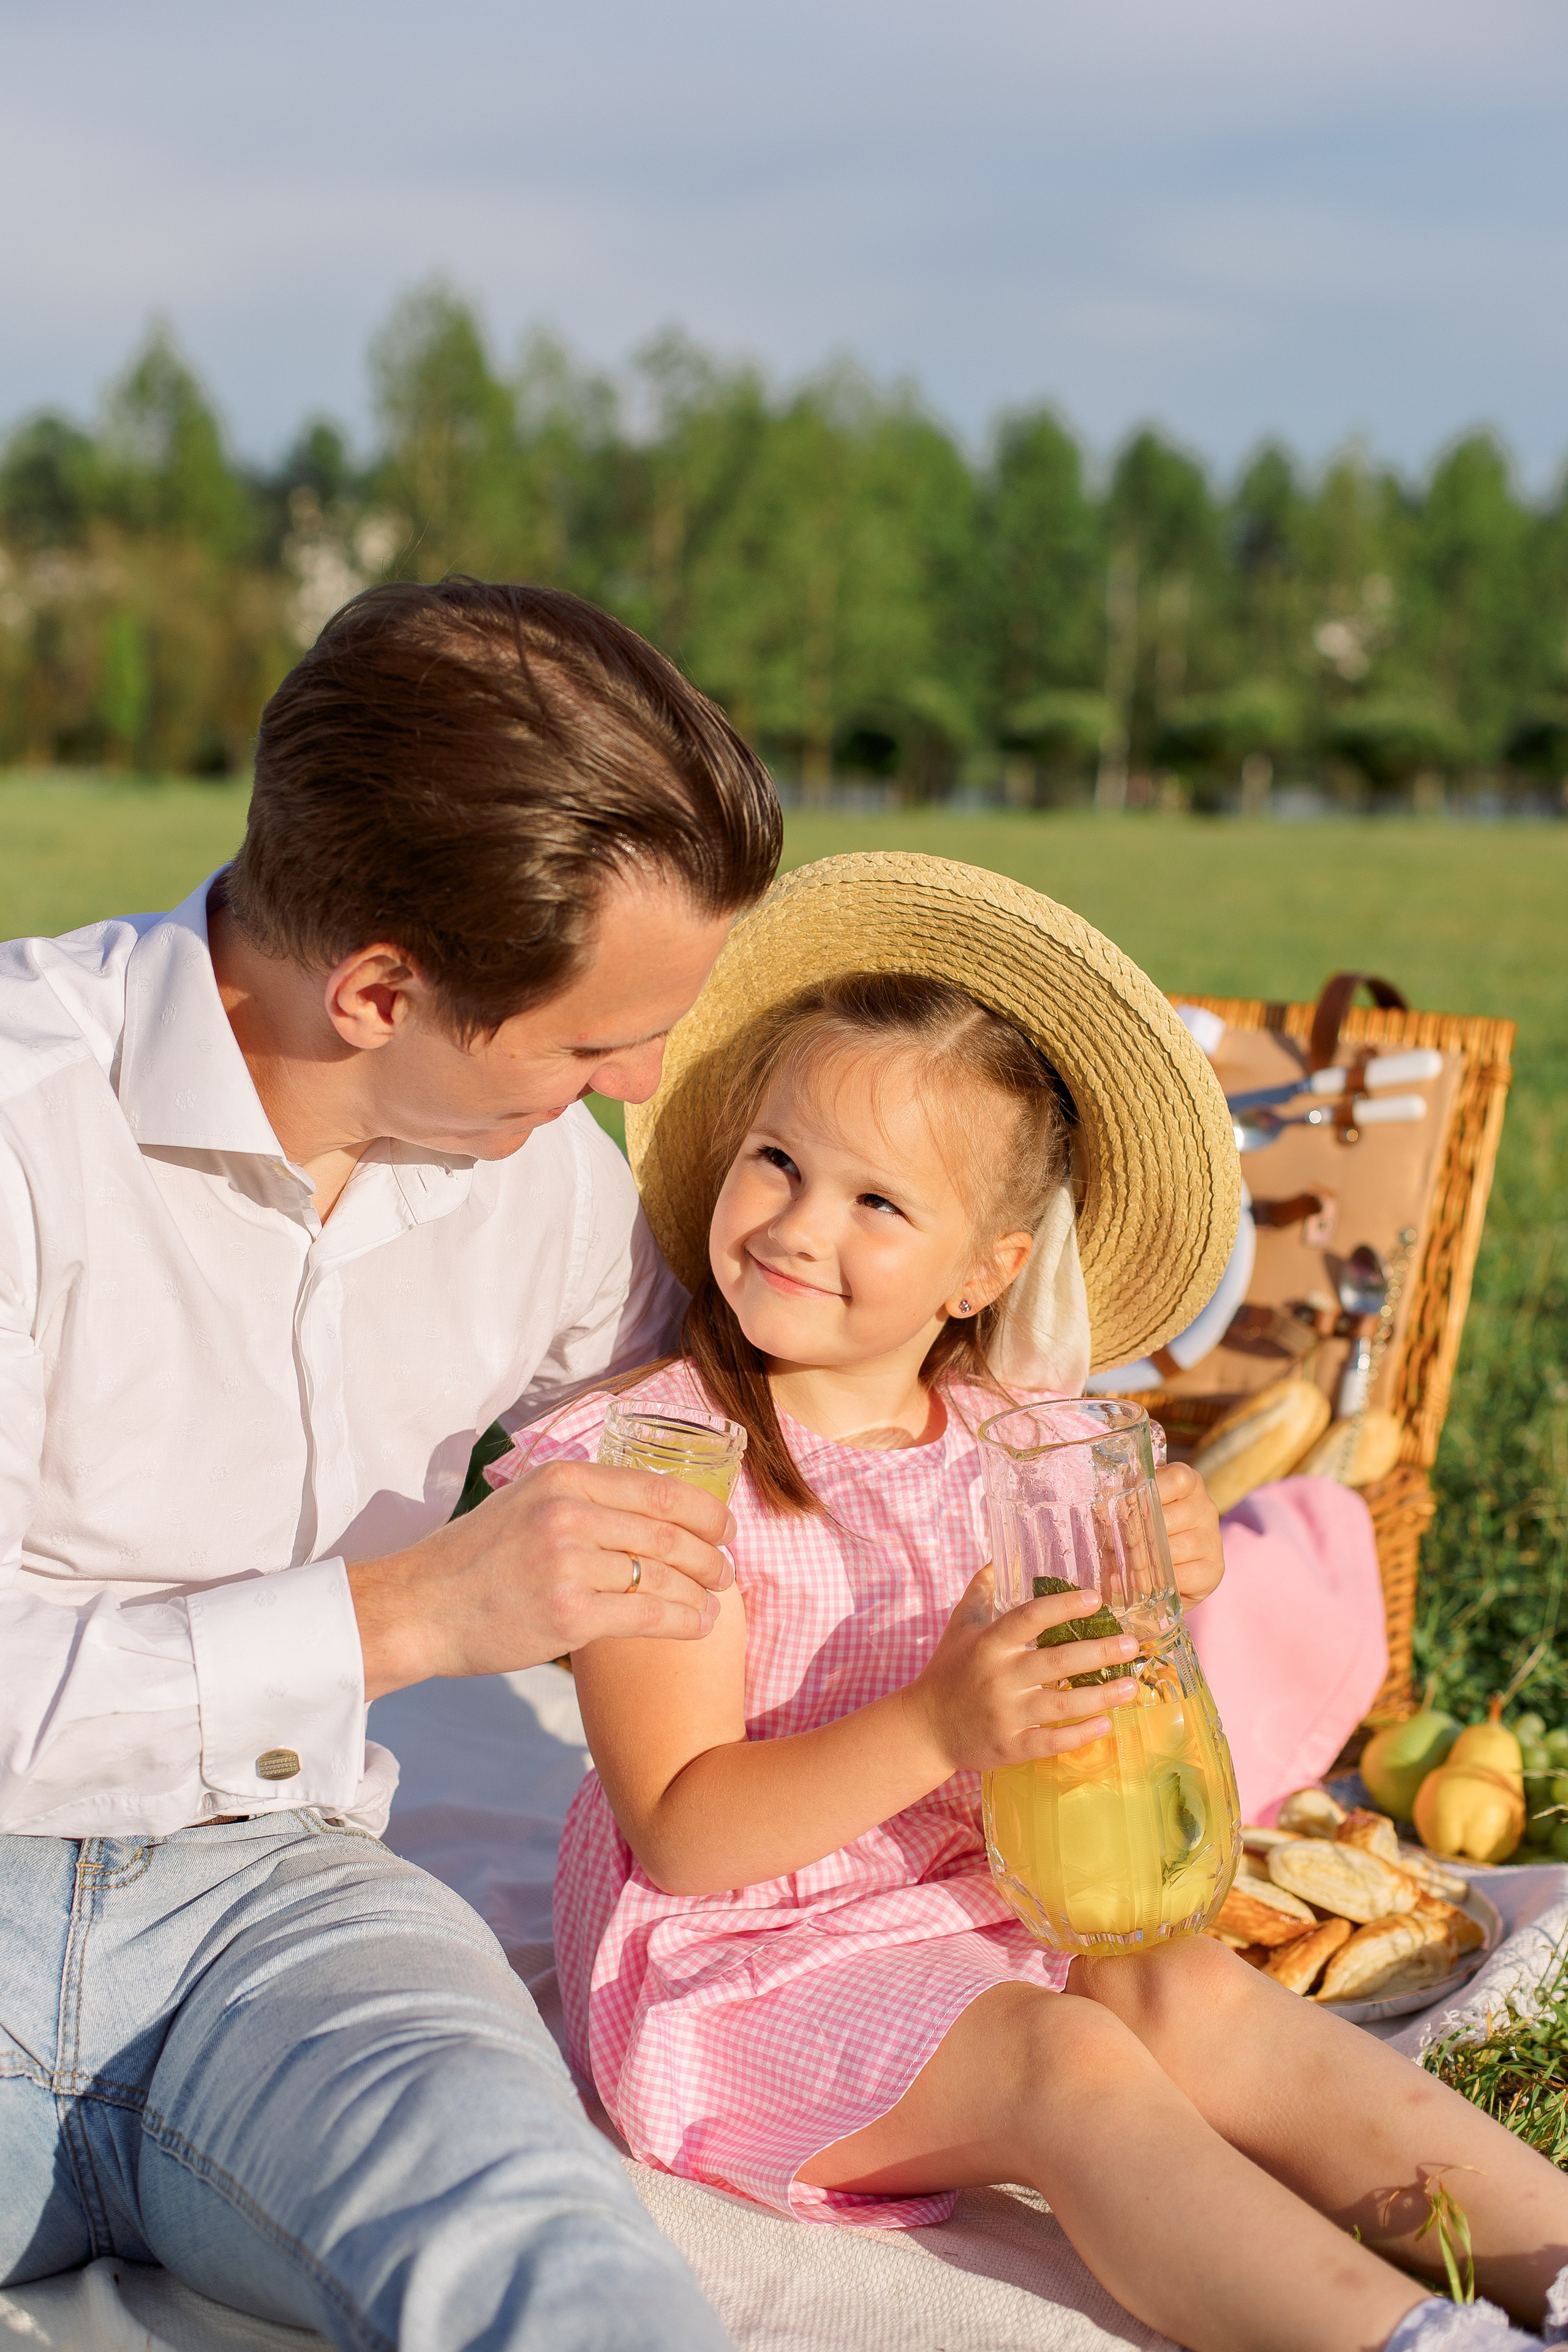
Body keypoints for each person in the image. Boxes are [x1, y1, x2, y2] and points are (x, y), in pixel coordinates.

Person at [500, 858, 1568, 2352]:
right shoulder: (668, 1464)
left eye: (877, 1200)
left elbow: (1097, 1702)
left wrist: (1172, 1576)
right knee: (1067, 2066)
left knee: (1190, 1993)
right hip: (744, 1977)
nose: (797, 1224)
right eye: (776, 1160)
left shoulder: (1026, 1445)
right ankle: (1408, 2343)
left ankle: (1549, 2256)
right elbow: (680, 1830)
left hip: (974, 1905)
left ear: (981, 1273)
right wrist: (939, 1722)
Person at [0, 579, 783, 2349]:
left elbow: (726, 1405)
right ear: (377, 990)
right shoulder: (23, 1122)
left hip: (282, 1913)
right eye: (592, 1039)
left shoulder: (540, 1172)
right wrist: (405, 1619)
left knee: (555, 2263)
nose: (646, 1080)